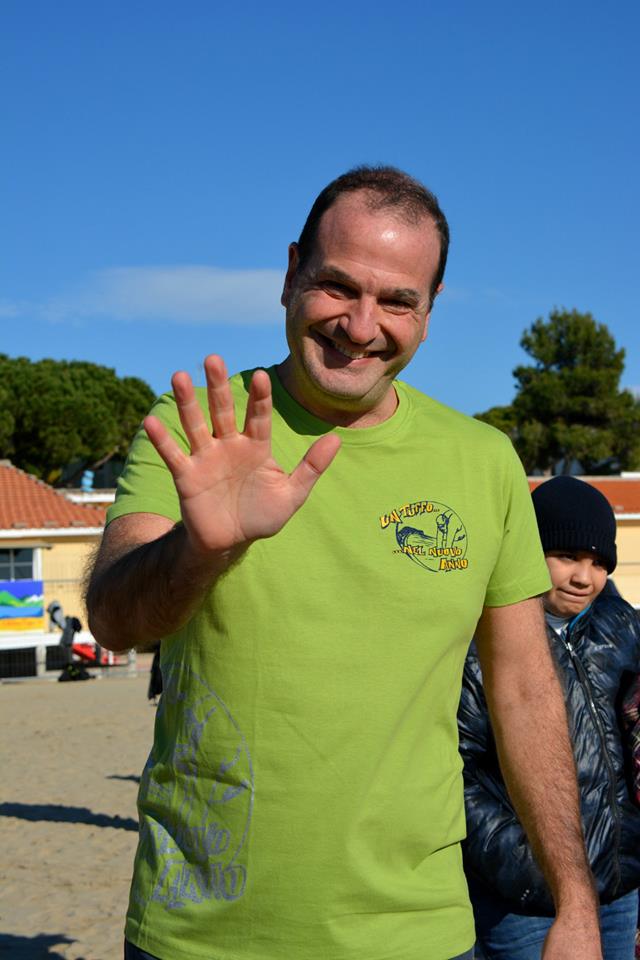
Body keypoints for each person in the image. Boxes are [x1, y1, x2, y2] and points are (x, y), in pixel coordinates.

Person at [86, 166, 603, 960]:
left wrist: (574, 900)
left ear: (429, 312)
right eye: (337, 286)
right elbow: (114, 620)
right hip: (201, 934)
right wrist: (201, 549)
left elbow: (525, 688)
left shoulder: (483, 460)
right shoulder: (203, 429)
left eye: (397, 301)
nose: (361, 326)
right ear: (291, 273)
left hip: (418, 932)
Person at [459, 476, 640, 959]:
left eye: (599, 563)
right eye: (566, 556)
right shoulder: (480, 645)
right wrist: (527, 867)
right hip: (525, 903)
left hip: (618, 892)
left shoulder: (623, 627)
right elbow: (458, 769)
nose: (584, 577)